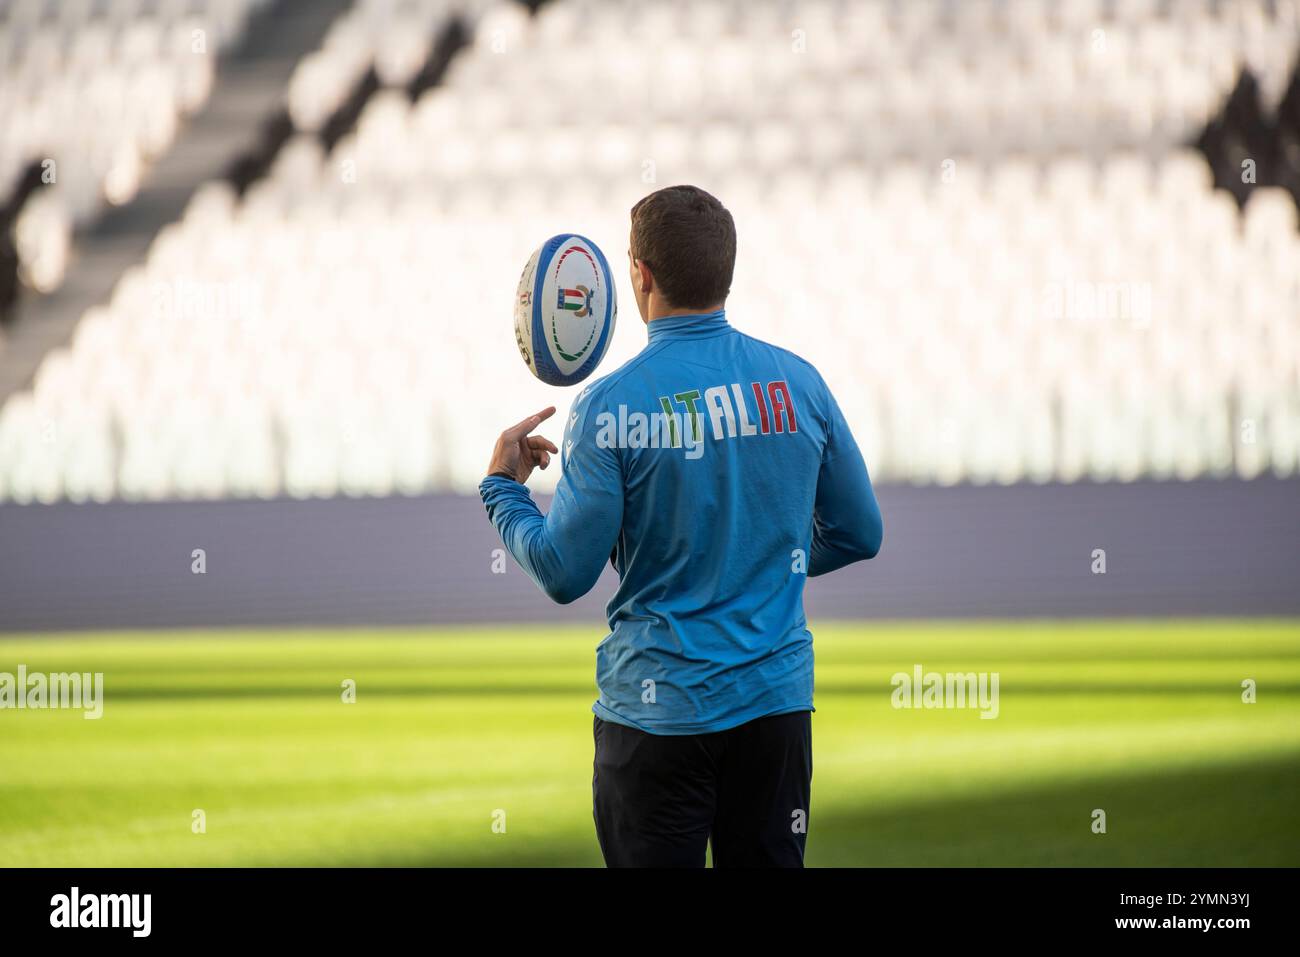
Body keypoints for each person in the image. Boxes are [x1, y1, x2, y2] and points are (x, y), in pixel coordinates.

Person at [480, 184, 883, 867]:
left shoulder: (608, 406)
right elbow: (860, 532)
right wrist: (767, 555)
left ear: (639, 275)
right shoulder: (800, 384)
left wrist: (502, 491)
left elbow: (563, 572)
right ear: (726, 271)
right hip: (775, 712)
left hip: (656, 713)